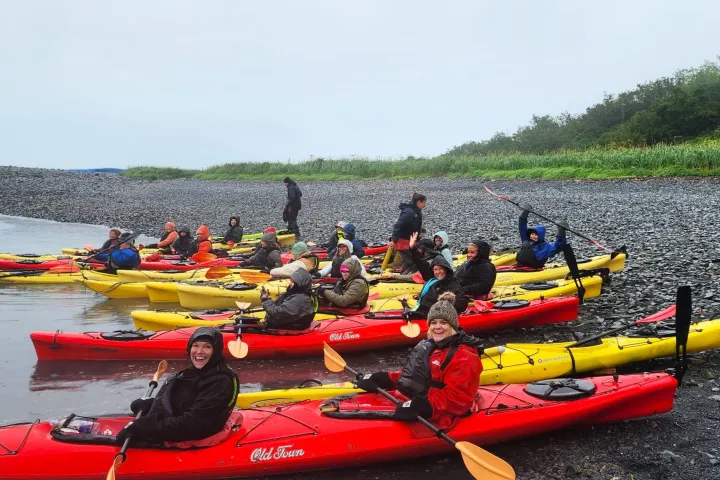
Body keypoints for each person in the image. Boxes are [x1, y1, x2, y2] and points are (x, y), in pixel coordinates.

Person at [354, 292, 483, 430]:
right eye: (433, 322)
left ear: (453, 326)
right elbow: (414, 375)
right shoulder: (432, 346)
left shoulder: (464, 356)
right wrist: (384, 379)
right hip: (417, 398)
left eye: (443, 322)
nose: (437, 327)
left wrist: (423, 406)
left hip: (441, 410)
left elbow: (457, 399)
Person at [114, 327, 239, 446]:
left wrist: (145, 428)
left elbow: (193, 424)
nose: (199, 351)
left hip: (195, 432)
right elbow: (186, 400)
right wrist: (153, 404)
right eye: (195, 346)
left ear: (216, 351)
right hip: (186, 424)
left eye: (207, 347)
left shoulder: (221, 382)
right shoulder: (198, 372)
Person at [517, 203, 567, 268]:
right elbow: (522, 227)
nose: (533, 236)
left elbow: (559, 245)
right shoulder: (527, 240)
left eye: (536, 235)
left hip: (534, 267)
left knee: (526, 244)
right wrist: (525, 213)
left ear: (540, 236)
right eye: (532, 234)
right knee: (526, 243)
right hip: (521, 266)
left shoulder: (546, 247)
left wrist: (561, 230)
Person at [389, 193, 427, 272]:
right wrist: (393, 240)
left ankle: (407, 274)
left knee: (412, 260)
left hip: (411, 240)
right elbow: (398, 225)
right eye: (424, 203)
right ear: (419, 202)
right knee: (408, 262)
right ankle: (405, 276)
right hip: (404, 242)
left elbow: (412, 224)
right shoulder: (409, 213)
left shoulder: (415, 211)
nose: (425, 205)